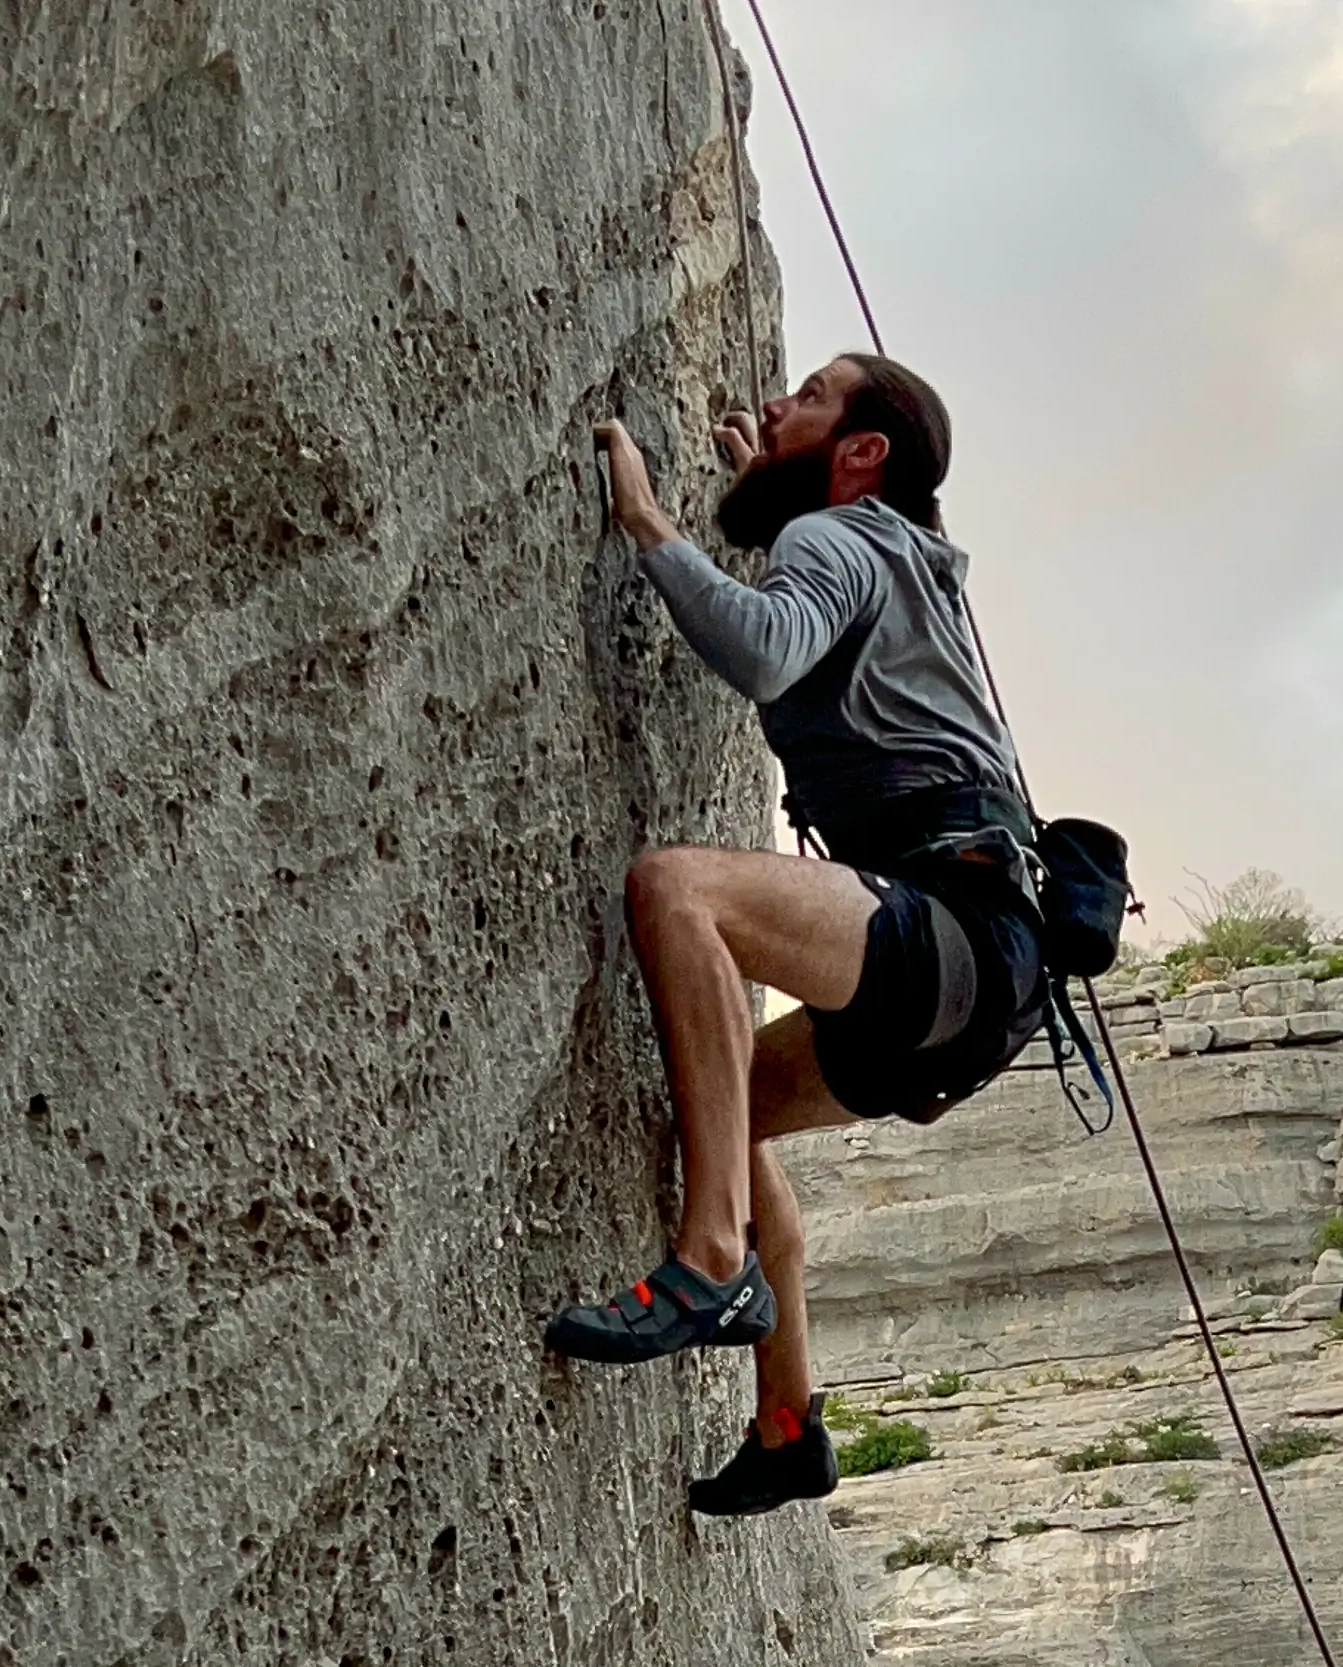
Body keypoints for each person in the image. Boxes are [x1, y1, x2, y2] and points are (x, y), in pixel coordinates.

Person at [545, 353, 1048, 1516]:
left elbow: (771, 647)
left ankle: (711, 1260)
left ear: (862, 453)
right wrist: (771, 485)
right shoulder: (901, 556)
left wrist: (649, 522)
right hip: (978, 987)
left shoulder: (841, 536)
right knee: (719, 1100)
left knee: (679, 889)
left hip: (945, 925)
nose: (775, 406)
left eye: (808, 400)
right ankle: (787, 1419)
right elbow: (828, 625)